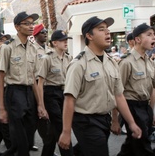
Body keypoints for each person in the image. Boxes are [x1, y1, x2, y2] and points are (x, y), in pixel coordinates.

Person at [58, 16, 142, 156]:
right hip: (85, 121)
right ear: (89, 36)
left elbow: (119, 95)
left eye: (107, 30)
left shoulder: (111, 62)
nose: (107, 33)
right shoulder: (79, 64)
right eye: (101, 30)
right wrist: (66, 132)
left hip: (104, 119)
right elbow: (69, 99)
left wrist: (131, 123)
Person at [0, 11, 46, 156]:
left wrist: (40, 104)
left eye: (32, 23)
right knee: (22, 142)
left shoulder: (33, 48)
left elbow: (33, 79)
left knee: (28, 138)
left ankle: (8, 153)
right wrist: (1, 108)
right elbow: (0, 78)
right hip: (14, 94)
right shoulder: (7, 47)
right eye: (27, 23)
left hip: (29, 93)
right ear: (17, 27)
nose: (31, 26)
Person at [115, 23, 155, 156]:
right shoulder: (127, 62)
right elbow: (117, 91)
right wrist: (114, 119)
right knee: (143, 144)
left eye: (153, 34)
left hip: (145, 107)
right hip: (132, 107)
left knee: (132, 144)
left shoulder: (148, 61)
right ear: (138, 39)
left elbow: (153, 87)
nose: (153, 38)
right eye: (149, 35)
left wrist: (151, 110)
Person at [37, 30, 73, 156]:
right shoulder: (47, 59)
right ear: (55, 43)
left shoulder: (69, 58)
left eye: (66, 40)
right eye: (63, 40)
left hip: (64, 93)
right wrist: (41, 105)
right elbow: (40, 83)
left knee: (53, 132)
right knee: (60, 125)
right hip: (50, 94)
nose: (66, 42)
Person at [32, 23, 53, 152]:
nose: (45, 34)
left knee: (45, 118)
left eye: (46, 32)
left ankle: (48, 146)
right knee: (35, 117)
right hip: (34, 86)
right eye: (42, 32)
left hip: (48, 87)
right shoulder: (32, 49)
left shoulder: (50, 50)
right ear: (35, 35)